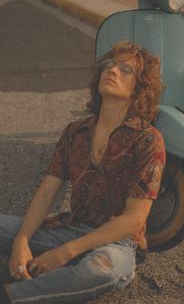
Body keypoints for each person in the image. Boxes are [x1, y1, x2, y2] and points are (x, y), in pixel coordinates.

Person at [0, 41, 166, 304]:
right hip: (70, 228)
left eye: (125, 70)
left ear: (139, 89)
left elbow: (134, 219)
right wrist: (21, 240)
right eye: (109, 65)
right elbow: (45, 194)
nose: (112, 71)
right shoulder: (75, 132)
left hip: (117, 243)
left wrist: (65, 253)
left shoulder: (148, 140)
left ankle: (12, 295)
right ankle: (47, 274)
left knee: (103, 270)